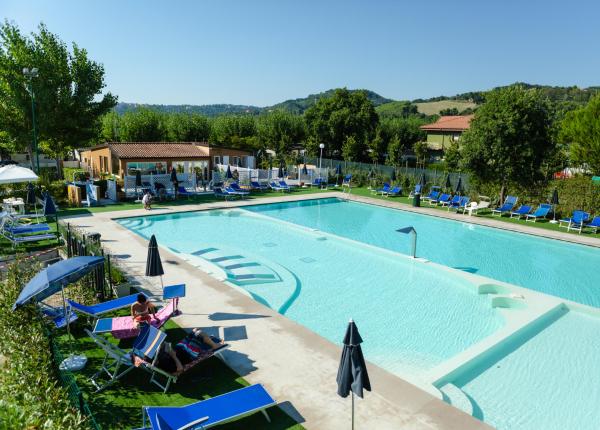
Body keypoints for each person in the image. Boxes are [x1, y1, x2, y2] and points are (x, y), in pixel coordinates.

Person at [154, 328, 225, 374]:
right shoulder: (166, 366)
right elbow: (180, 369)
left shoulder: (158, 357)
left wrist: (164, 346)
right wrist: (174, 356)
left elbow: (164, 349)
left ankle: (207, 340)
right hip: (188, 353)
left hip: (180, 347)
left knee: (195, 330)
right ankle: (214, 346)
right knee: (200, 334)